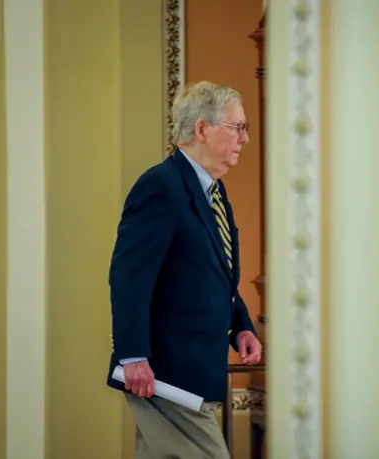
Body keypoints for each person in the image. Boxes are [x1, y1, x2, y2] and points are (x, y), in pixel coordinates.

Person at [106, 81, 262, 459]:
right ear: (202, 129)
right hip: (164, 372)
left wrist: (240, 323)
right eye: (236, 127)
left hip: (196, 367)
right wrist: (133, 356)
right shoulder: (161, 185)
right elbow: (129, 276)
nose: (244, 138)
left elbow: (211, 271)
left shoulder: (213, 191)